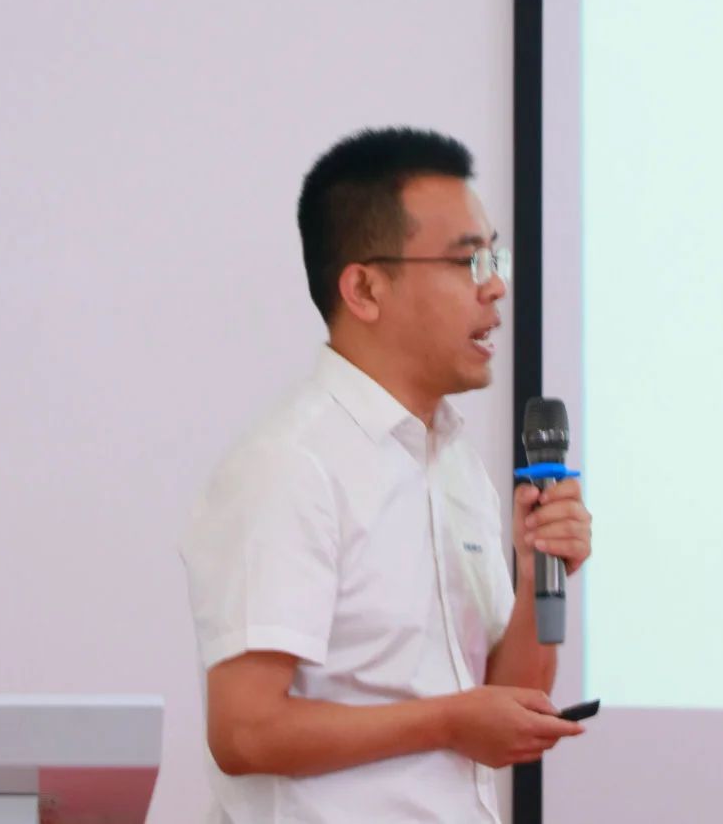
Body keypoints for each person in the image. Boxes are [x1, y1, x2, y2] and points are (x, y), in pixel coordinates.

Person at [179, 127, 593, 823]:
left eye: (493, 256)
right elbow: (245, 731)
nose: (495, 285)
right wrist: (448, 720)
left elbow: (505, 709)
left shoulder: (455, 463)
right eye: (466, 260)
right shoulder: (290, 465)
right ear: (365, 288)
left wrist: (535, 577)